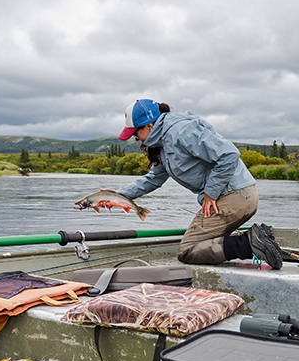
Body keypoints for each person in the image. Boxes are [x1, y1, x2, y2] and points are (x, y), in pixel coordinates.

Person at [115, 98, 282, 269]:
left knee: (187, 251)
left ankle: (249, 243)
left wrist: (210, 193)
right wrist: (117, 196)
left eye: (136, 133)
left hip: (234, 196)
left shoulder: (181, 130)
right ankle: (256, 241)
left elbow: (229, 155)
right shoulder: (162, 144)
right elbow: (153, 179)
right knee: (204, 245)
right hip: (237, 197)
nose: (135, 138)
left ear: (149, 126)